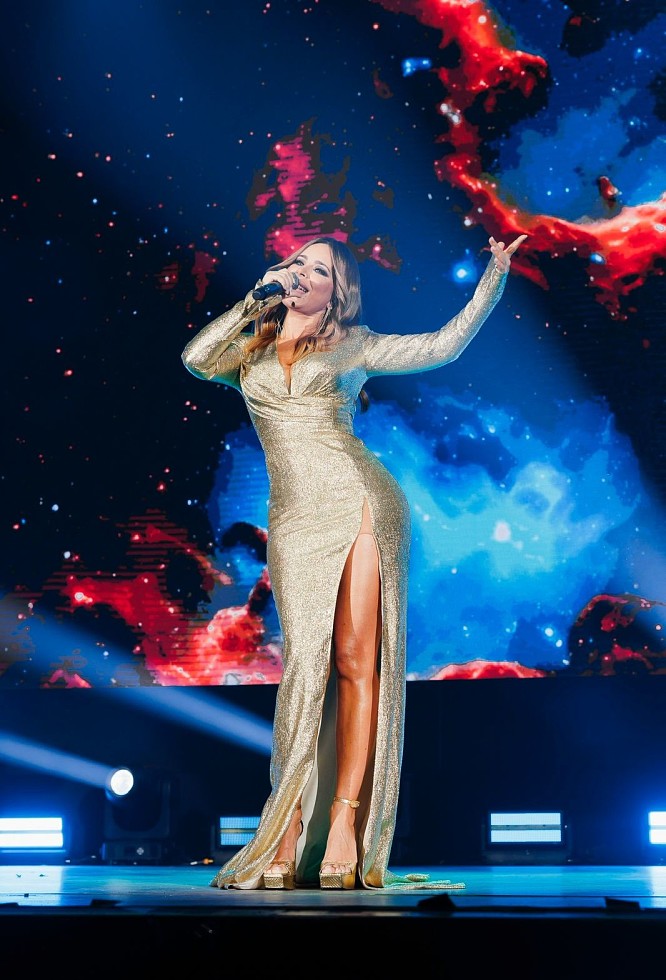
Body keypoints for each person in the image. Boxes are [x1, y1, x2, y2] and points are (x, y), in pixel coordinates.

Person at [182, 230, 527, 890]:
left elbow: (443, 344)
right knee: (302, 667)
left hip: (363, 502)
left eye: (321, 270)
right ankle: (286, 823)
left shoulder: (355, 344)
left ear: (338, 292)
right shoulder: (249, 350)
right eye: (298, 263)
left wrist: (494, 276)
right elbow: (197, 360)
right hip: (293, 520)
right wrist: (255, 300)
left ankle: (344, 819)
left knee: (353, 660)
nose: (304, 274)